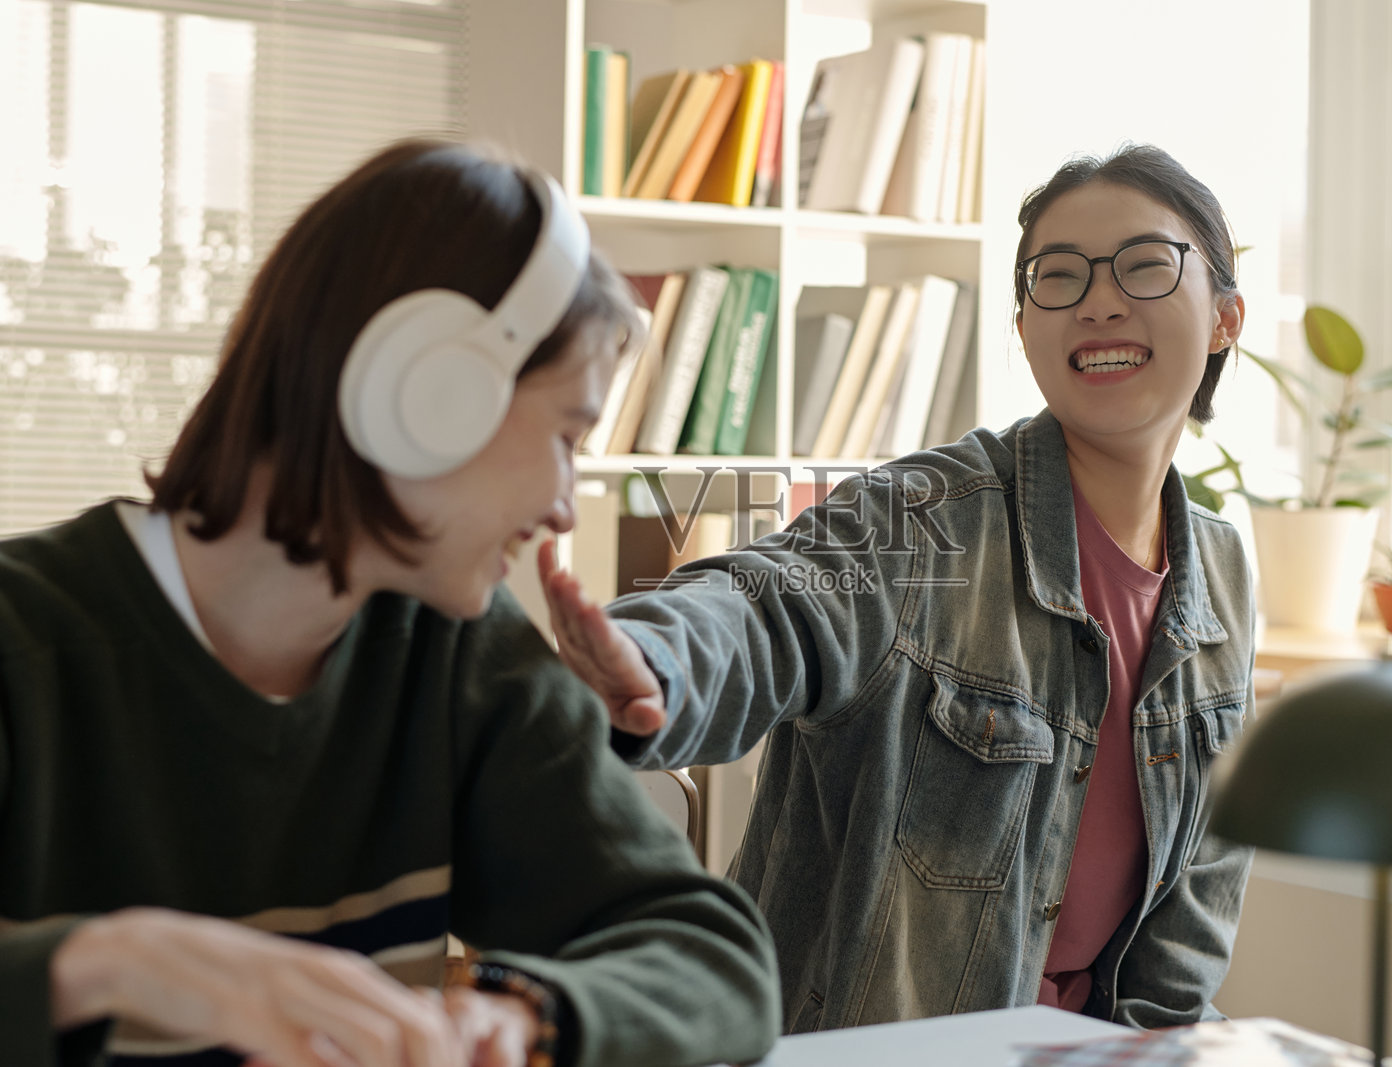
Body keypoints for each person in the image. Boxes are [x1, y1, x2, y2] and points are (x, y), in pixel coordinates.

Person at [0, 139, 780, 1067]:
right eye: (568, 436)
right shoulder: (22, 642)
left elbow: (716, 957)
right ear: (429, 395)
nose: (564, 505)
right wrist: (106, 965)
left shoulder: (457, 655)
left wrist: (523, 1018)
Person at [539, 144, 1256, 1033]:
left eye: (1145, 266)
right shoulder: (919, 519)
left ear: (1225, 317)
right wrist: (654, 658)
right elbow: (769, 603)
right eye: (1059, 275)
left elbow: (1189, 927)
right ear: (1024, 327)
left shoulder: (1222, 574)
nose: (1098, 301)